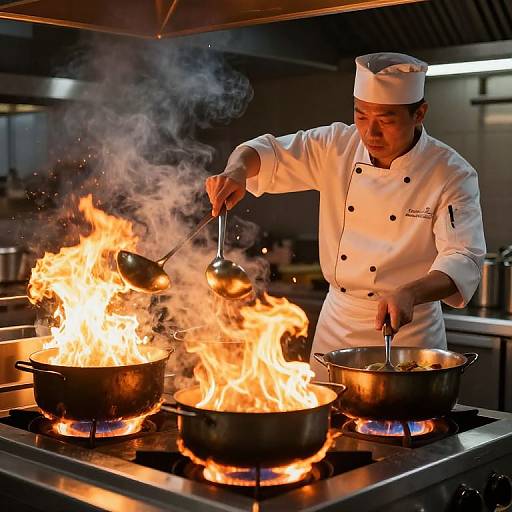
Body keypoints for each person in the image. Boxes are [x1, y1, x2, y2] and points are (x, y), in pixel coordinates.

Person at [205, 52, 486, 379]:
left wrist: (410, 292)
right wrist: (236, 171)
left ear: (419, 113)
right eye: (361, 115)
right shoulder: (336, 145)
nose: (371, 132)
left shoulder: (450, 172)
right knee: (325, 425)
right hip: (337, 324)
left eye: (387, 119)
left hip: (408, 333)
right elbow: (266, 152)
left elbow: (462, 256)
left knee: (406, 422)